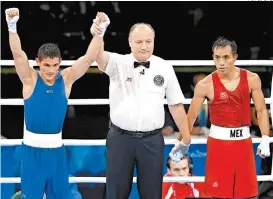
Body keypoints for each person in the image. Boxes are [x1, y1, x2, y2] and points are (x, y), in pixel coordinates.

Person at [5, 8, 110, 199]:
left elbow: (88, 58)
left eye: (55, 65)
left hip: (56, 153)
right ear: (38, 62)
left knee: (60, 196)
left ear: (60, 63)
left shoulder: (66, 79)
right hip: (31, 153)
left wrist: (100, 32)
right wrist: (12, 28)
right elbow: (18, 54)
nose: (51, 70)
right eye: (46, 65)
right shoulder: (30, 79)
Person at [91, 15, 191, 199]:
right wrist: (99, 33)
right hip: (120, 139)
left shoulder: (164, 67)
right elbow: (97, 56)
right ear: (129, 42)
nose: (144, 46)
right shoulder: (118, 62)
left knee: (152, 194)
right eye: (139, 41)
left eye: (148, 41)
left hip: (152, 141)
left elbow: (176, 105)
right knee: (115, 194)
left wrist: (186, 138)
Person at [174, 36, 271, 199]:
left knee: (247, 195)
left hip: (243, 145)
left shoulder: (252, 79)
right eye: (217, 57)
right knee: (217, 195)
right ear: (213, 58)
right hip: (218, 146)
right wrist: (181, 141)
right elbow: (191, 116)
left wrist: (266, 138)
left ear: (235, 57)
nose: (221, 62)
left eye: (226, 57)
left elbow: (261, 111)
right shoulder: (205, 84)